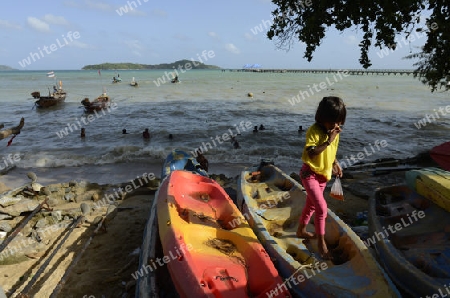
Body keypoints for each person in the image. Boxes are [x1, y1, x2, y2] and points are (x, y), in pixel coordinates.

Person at [296, 96, 346, 260]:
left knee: (311, 206)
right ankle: (321, 243)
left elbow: (331, 152)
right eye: (333, 122)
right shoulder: (314, 131)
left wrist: (335, 163)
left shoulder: (335, 132)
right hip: (309, 174)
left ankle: (301, 230)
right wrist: (328, 141)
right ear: (323, 118)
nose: (336, 126)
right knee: (321, 208)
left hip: (323, 176)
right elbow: (311, 152)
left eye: (339, 122)